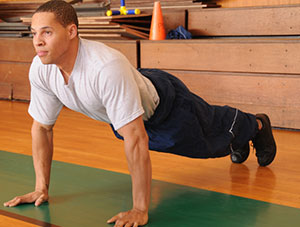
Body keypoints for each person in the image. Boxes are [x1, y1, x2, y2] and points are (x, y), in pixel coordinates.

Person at [3, 0, 276, 226]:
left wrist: (139, 209)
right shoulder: (42, 68)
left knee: (209, 143)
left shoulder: (104, 68)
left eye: (47, 32)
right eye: (34, 32)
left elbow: (136, 138)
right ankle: (240, 133)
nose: (37, 41)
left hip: (166, 106)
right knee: (211, 136)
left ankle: (257, 127)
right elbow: (42, 128)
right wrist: (41, 188)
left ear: (72, 31)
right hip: (133, 94)